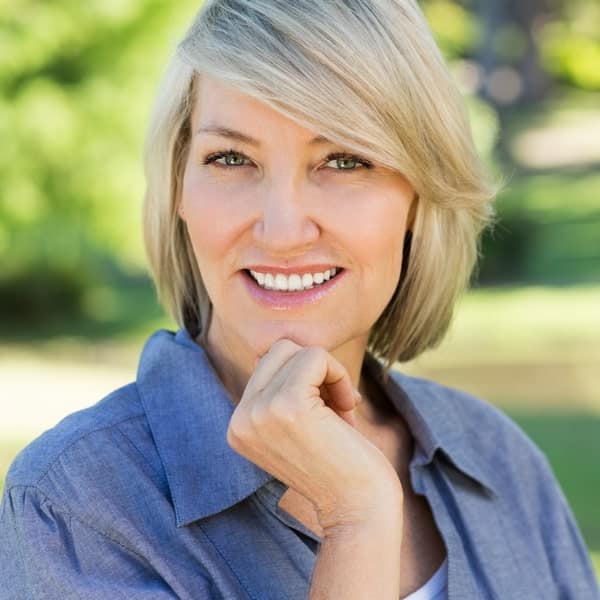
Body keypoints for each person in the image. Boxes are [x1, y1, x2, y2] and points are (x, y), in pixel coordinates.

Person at [1, 0, 598, 598]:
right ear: (179, 188)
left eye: (344, 160)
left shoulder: (498, 461)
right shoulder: (73, 504)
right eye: (231, 158)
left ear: (419, 196)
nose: (282, 231)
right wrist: (357, 518)